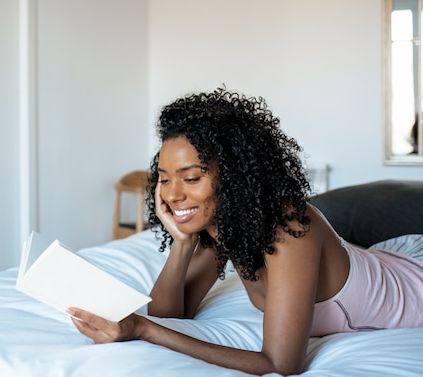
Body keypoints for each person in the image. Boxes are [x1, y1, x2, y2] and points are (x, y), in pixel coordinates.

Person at [68, 87, 423, 376]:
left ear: (233, 176)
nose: (173, 194)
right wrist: (183, 241)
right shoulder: (223, 226)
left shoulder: (289, 228)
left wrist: (142, 330)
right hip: (379, 260)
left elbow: (280, 364)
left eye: (191, 178)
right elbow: (171, 314)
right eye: (163, 178)